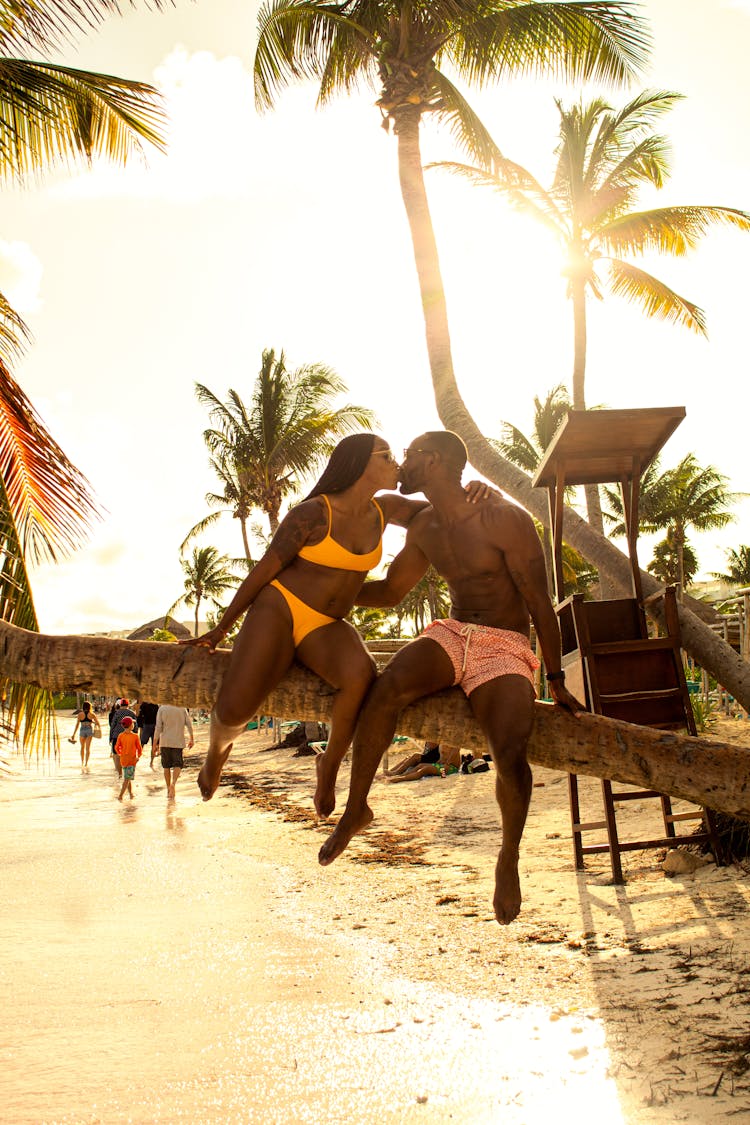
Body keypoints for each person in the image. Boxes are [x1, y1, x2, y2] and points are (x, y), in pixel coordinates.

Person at [319, 431, 582, 925]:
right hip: (452, 632)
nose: (401, 463)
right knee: (384, 691)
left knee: (509, 752)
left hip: (503, 643)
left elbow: (540, 604)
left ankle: (509, 856)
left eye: (410, 455)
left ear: (433, 460)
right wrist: (329, 593)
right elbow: (393, 591)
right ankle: (358, 807)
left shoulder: (504, 518)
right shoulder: (422, 523)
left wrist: (555, 677)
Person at [185, 433, 492, 817]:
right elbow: (263, 571)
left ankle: (329, 765)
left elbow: (444, 508)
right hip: (279, 607)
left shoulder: (387, 509)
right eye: (386, 456)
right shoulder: (312, 513)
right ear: (361, 464)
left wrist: (477, 489)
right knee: (233, 710)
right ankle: (216, 753)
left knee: (360, 675)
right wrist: (220, 630)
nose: (395, 463)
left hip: (326, 625)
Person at [153, 704, 194, 798]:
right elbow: (189, 724)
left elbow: (158, 727)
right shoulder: (182, 708)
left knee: (166, 766)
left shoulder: (162, 709)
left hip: (165, 742)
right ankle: (173, 784)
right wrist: (192, 738)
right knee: (178, 764)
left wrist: (154, 744)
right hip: (178, 741)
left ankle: (168, 788)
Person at [385, 743, 461, 783]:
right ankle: (402, 775)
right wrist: (436, 765)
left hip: (451, 769)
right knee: (421, 765)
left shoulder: (454, 744)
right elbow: (441, 758)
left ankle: (401, 779)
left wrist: (444, 764)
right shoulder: (441, 744)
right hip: (442, 766)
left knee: (425, 769)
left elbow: (453, 756)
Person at [115, 716, 142, 801]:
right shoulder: (135, 736)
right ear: (131, 726)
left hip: (123, 760)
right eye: (133, 723)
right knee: (127, 779)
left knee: (127, 777)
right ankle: (120, 796)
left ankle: (131, 794)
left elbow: (116, 747)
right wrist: (138, 757)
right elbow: (139, 748)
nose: (134, 724)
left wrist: (120, 754)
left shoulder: (120, 735)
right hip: (131, 760)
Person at [109, 699, 137, 778]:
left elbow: (112, 725)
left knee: (117, 754)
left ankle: (120, 773)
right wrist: (135, 735)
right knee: (128, 753)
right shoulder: (131, 713)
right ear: (128, 705)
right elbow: (136, 726)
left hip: (116, 736)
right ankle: (127, 773)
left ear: (121, 705)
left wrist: (110, 737)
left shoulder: (117, 713)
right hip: (128, 736)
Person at [69, 700, 100, 769]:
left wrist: (73, 734)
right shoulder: (92, 714)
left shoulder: (80, 714)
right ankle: (86, 763)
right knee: (88, 748)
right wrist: (92, 722)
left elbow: (77, 725)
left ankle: (82, 762)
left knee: (82, 747)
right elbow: (98, 723)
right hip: (89, 730)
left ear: (83, 707)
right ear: (89, 707)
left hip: (82, 730)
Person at [136, 700, 160, 768]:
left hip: (146, 726)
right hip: (154, 726)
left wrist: (140, 727)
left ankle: (137, 757)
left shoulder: (144, 705)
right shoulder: (156, 705)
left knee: (142, 743)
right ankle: (151, 762)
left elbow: (140, 716)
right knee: (153, 745)